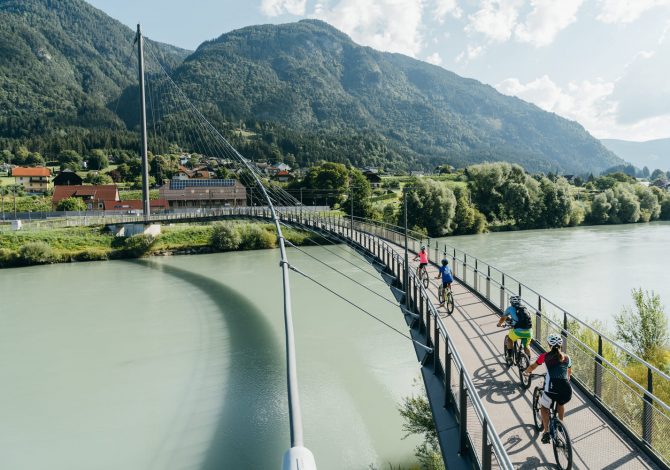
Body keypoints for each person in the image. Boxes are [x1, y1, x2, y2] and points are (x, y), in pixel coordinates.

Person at [524, 333, 573, 444]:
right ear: (561, 345)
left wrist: (525, 372)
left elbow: (532, 367)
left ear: (549, 345)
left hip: (552, 389)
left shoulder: (544, 356)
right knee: (561, 402)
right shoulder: (567, 358)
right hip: (567, 390)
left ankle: (546, 432)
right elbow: (569, 373)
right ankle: (561, 424)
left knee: (544, 408)